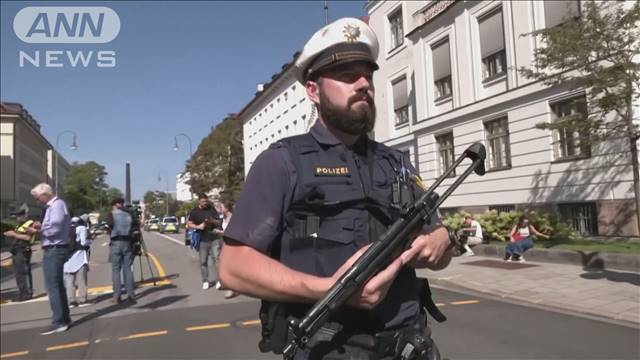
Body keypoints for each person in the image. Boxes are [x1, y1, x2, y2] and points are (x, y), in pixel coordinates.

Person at [219, 17, 452, 359]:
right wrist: (329, 290)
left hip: (409, 347)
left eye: (367, 76)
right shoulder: (283, 162)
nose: (363, 85)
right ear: (313, 90)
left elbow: (437, 247)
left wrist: (441, 240)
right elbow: (232, 267)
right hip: (329, 349)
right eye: (346, 77)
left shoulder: (397, 163)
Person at [30, 183, 72, 335]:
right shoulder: (55, 206)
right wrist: (41, 226)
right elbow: (54, 226)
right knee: (57, 285)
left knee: (52, 286)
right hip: (55, 248)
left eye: (37, 198)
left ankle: (59, 321)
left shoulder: (56, 206)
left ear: (45, 194)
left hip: (55, 249)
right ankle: (64, 318)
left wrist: (39, 229)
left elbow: (55, 228)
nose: (37, 201)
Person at [188, 194, 222, 290]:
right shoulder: (194, 212)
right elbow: (189, 223)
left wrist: (212, 221)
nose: (205, 203)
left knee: (217, 261)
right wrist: (198, 226)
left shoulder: (211, 209)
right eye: (203, 201)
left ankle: (219, 281)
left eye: (206, 201)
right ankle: (205, 281)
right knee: (203, 262)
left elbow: (219, 221)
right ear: (199, 201)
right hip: (203, 240)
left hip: (214, 238)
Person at [106, 198, 136, 304]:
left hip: (116, 242)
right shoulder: (129, 214)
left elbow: (109, 226)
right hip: (127, 242)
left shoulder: (112, 214)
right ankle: (131, 295)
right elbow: (135, 227)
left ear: (115, 205)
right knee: (127, 269)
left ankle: (117, 296)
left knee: (116, 270)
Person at [3, 204, 35, 302]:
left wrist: (13, 234)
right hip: (17, 251)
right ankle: (22, 293)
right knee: (18, 273)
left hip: (23, 250)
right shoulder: (19, 225)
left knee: (24, 272)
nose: (16, 218)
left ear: (23, 215)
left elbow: (28, 238)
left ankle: (27, 293)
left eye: (18, 216)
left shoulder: (29, 223)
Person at [64, 216, 92, 308]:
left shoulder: (65, 229)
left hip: (67, 258)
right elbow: (83, 243)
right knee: (81, 280)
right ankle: (82, 299)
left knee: (69, 281)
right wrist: (90, 241)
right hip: (79, 257)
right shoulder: (82, 228)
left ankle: (71, 301)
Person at [213, 200, 237, 299]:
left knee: (230, 267)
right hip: (224, 244)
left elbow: (234, 232)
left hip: (233, 245)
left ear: (227, 208)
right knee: (222, 265)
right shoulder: (224, 218)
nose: (220, 209)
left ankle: (231, 289)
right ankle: (229, 285)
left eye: (222, 207)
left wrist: (222, 232)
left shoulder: (234, 218)